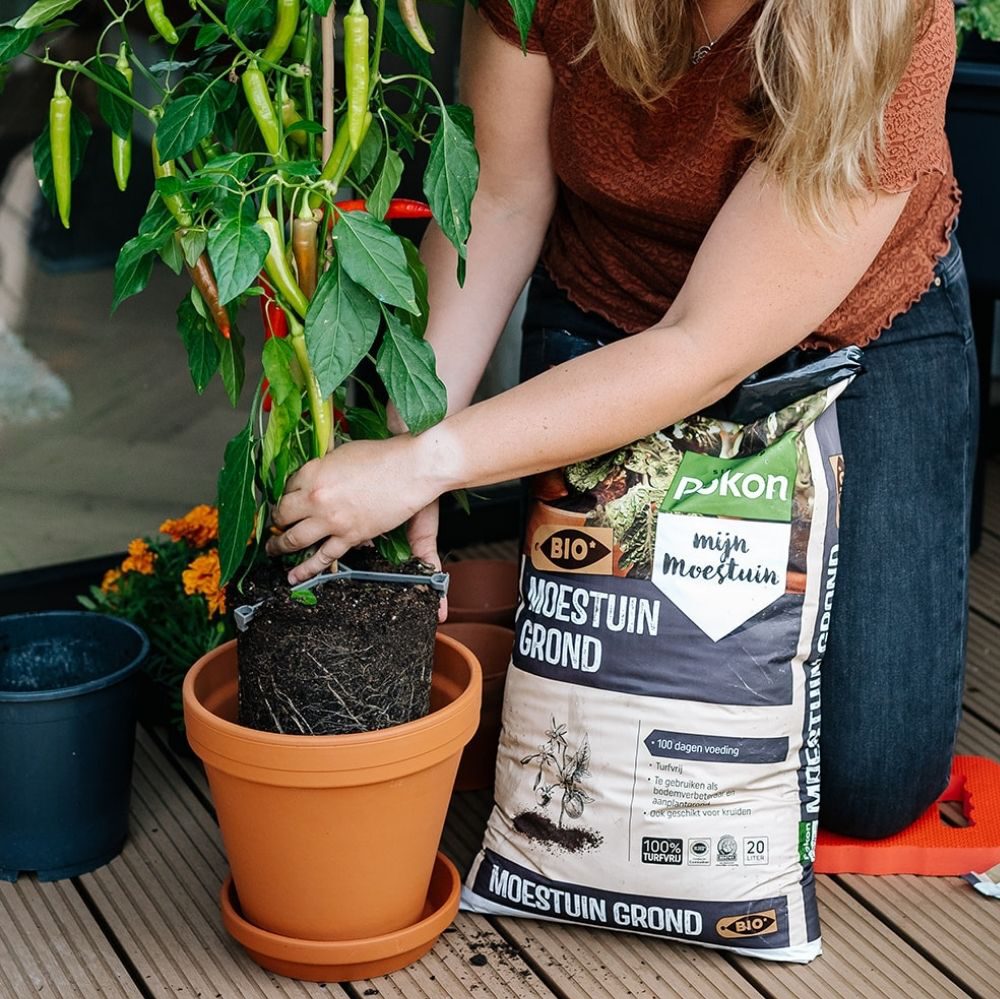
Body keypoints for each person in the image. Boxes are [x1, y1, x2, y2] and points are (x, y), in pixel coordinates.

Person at [268, 0, 976, 840]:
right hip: (609, 301)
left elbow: (705, 344)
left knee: (869, 781)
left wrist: (430, 462)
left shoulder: (886, 16)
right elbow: (499, 198)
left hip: (851, 328)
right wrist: (413, 428)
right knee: (593, 748)